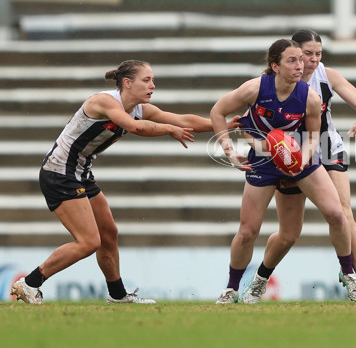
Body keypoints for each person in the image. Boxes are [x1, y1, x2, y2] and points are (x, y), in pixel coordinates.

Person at [10, 59, 240, 305]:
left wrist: (224, 125)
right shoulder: (105, 101)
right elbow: (135, 127)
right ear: (127, 83)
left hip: (80, 173)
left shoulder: (140, 108)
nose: (153, 85)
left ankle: (118, 295)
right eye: (147, 80)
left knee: (109, 233)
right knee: (89, 242)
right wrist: (168, 130)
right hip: (59, 173)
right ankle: (30, 283)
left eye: (153, 80)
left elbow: (183, 120)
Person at [210, 38, 356, 304]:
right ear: (275, 66)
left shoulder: (310, 98)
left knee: (336, 214)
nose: (300, 65)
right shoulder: (255, 88)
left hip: (299, 158)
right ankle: (232, 287)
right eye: (292, 60)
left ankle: (349, 275)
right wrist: (229, 150)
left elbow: (314, 138)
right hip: (264, 161)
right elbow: (218, 111)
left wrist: (300, 159)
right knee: (248, 231)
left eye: (300, 60)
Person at [244, 29, 356, 303]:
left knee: (342, 213)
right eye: (307, 54)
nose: (312, 60)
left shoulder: (326, 76)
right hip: (288, 154)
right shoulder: (269, 84)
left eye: (318, 54)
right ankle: (260, 279)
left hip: (327, 148)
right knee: (288, 234)